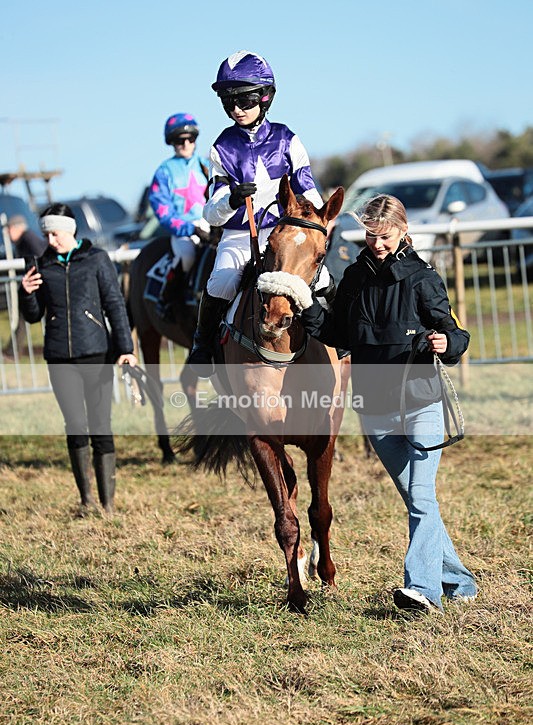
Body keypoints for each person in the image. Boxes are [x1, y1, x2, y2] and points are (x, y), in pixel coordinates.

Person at [301, 194, 478, 613]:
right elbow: (338, 333)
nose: (377, 243)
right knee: (419, 501)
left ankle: (423, 590)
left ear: (402, 230)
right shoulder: (354, 278)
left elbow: (454, 332)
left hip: (420, 402)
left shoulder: (422, 277)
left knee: (420, 496)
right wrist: (306, 305)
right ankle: (460, 581)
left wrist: (446, 342)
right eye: (370, 235)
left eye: (385, 235)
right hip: (375, 409)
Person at [187, 50, 334, 377]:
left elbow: (308, 188)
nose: (236, 109)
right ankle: (202, 346)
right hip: (240, 235)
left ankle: (342, 339)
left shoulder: (288, 140)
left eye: (244, 101)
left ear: (265, 97)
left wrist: (320, 219)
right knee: (221, 283)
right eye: (229, 102)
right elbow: (212, 213)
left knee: (324, 279)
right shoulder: (221, 146)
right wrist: (232, 201)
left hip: (285, 235)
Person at [18, 203, 137, 515]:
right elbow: (33, 317)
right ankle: (86, 501)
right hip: (59, 356)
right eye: (46, 234)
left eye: (54, 233)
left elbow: (115, 305)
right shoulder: (40, 263)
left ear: (69, 231)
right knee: (75, 425)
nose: (50, 240)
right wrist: (26, 293)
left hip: (96, 352)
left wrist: (126, 348)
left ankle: (108, 504)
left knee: (101, 424)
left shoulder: (97, 259)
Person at [148, 113, 210, 320]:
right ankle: (168, 299)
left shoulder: (207, 166)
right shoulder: (164, 172)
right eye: (179, 140)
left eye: (189, 139)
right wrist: (189, 228)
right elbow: (162, 211)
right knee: (187, 255)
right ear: (171, 143)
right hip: (184, 229)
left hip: (212, 225)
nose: (185, 144)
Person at [3, 216, 47, 359]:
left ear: (17, 227)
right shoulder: (24, 240)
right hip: (36, 285)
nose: (8, 234)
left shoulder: (28, 239)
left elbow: (41, 257)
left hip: (40, 285)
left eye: (9, 229)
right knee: (24, 317)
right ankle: (12, 351)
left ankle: (12, 351)